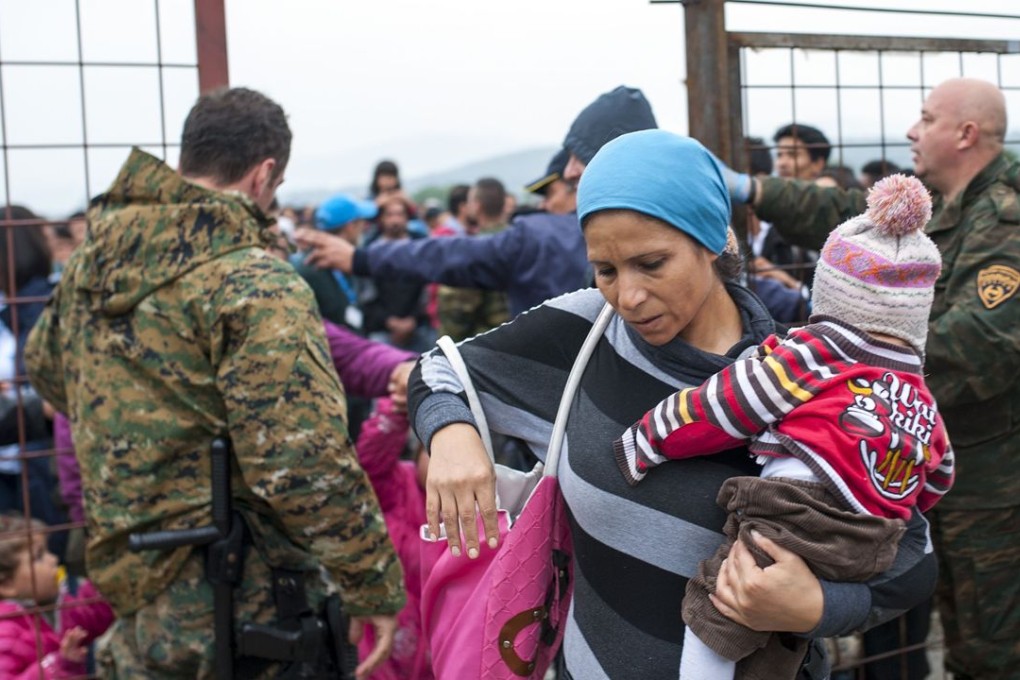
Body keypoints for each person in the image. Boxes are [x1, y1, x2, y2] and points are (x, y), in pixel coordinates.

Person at [411, 129, 938, 679]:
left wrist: (817, 607)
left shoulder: (811, 382)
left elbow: (913, 562)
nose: (628, 296)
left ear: (711, 239)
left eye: (652, 263)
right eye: (607, 270)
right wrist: (452, 437)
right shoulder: (586, 334)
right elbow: (437, 370)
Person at [24, 87, 405, 679]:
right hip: (242, 598)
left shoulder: (92, 265)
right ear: (264, 175)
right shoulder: (254, 280)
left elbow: (46, 367)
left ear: (187, 160)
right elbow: (300, 462)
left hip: (133, 584)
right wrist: (372, 583)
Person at [724, 77, 1020, 680]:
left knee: (991, 646)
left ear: (965, 134)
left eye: (926, 117)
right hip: (913, 463)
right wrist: (753, 188)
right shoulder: (940, 210)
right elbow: (842, 216)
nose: (912, 131)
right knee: (936, 622)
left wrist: (827, 366)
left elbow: (974, 346)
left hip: (988, 486)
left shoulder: (1008, 222)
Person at [614, 174, 954, 680]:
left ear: (832, 291)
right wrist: (890, 503)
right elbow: (938, 476)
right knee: (778, 635)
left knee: (719, 610)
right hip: (871, 539)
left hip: (794, 514)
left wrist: (648, 438)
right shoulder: (922, 397)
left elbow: (727, 406)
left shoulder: (815, 353)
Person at [294, 85, 657, 318]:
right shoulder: (678, 232)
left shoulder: (538, 238)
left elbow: (450, 256)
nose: (570, 172)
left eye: (580, 157)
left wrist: (359, 258)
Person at [0, 513, 114, 679]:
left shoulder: (55, 607)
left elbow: (88, 616)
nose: (53, 559)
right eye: (38, 557)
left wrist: (105, 581)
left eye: (48, 551)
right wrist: (57, 666)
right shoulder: (6, 635)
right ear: (6, 585)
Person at [437, 177, 511, 341]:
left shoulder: (473, 250)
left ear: (477, 206)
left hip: (487, 344)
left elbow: (457, 314)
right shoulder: (522, 242)